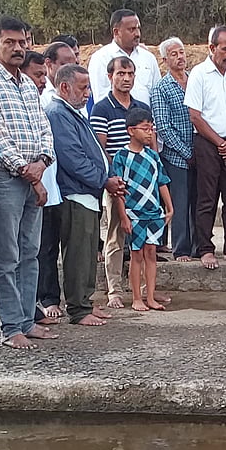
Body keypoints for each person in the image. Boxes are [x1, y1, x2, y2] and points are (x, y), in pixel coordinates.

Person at [0, 15, 56, 350]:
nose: (18, 48)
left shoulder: (27, 83)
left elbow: (43, 129)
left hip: (34, 175)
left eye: (23, 42)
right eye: (10, 42)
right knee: (7, 256)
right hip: (5, 177)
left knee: (30, 253)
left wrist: (42, 163)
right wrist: (29, 172)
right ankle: (11, 327)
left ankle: (26, 319)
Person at [46, 64, 124, 326]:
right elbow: (72, 158)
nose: (88, 93)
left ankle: (85, 302)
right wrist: (104, 180)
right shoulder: (58, 113)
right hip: (76, 194)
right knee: (78, 253)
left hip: (88, 194)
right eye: (83, 88)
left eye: (89, 87)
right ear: (65, 87)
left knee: (89, 251)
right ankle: (78, 308)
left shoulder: (73, 112)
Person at [185, 25, 226, 270]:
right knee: (207, 199)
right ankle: (205, 249)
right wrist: (220, 143)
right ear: (212, 48)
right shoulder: (199, 75)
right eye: (225, 49)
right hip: (208, 144)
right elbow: (195, 116)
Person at [91, 56, 151, 307]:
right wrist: (112, 178)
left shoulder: (140, 107)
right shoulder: (101, 108)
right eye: (121, 74)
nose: (126, 78)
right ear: (110, 77)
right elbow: (99, 147)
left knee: (147, 238)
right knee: (116, 235)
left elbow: (150, 141)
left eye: (130, 74)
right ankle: (114, 289)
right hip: (118, 182)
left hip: (143, 181)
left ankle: (148, 291)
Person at [112, 108, 173, 312]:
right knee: (136, 254)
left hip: (154, 212)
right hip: (134, 213)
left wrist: (170, 207)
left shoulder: (153, 157)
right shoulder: (122, 156)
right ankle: (136, 297)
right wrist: (123, 216)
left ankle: (151, 296)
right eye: (145, 128)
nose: (150, 133)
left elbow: (162, 181)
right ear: (131, 130)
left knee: (151, 253)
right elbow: (119, 191)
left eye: (151, 128)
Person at [35, 40, 79, 326]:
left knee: (64, 242)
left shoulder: (74, 94)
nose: (68, 67)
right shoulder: (44, 97)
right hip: (42, 180)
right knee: (44, 244)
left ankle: (59, 295)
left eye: (72, 61)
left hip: (63, 182)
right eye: (64, 62)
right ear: (49, 64)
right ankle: (47, 297)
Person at [151, 37, 197, 262]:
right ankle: (181, 248)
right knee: (179, 201)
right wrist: (185, 152)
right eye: (174, 54)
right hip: (175, 155)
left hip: (200, 151)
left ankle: (199, 245)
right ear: (164, 60)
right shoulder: (161, 88)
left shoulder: (195, 81)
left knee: (198, 200)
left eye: (182, 52)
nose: (180, 57)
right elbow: (163, 127)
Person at [86, 9, 161, 107]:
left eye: (138, 28)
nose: (137, 34)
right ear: (116, 32)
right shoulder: (101, 58)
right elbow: (100, 97)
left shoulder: (148, 58)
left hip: (146, 120)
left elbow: (157, 96)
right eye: (132, 29)